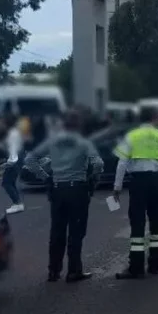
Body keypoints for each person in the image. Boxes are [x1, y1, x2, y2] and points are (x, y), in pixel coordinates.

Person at [24, 109, 104, 283]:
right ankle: (74, 271)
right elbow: (98, 163)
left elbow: (29, 160)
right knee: (76, 232)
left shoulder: (52, 142)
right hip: (77, 190)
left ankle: (54, 271)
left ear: (63, 124)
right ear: (78, 125)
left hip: (58, 189)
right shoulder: (84, 143)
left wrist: (46, 177)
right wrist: (92, 179)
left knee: (57, 232)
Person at [112, 107, 158, 279]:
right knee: (157, 223)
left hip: (138, 182)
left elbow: (122, 163)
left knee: (137, 223)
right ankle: (155, 265)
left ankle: (136, 267)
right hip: (157, 181)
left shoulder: (132, 136)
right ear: (154, 118)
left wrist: (117, 187)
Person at [1, 114, 26, 214]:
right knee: (10, 182)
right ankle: (17, 203)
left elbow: (13, 149)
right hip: (18, 159)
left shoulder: (12, 134)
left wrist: (9, 163)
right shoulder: (16, 132)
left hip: (14, 161)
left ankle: (17, 204)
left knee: (6, 183)